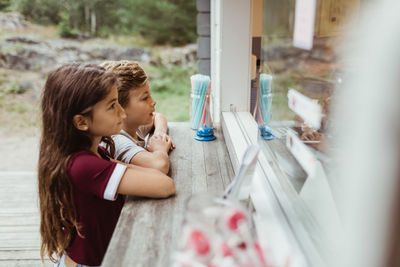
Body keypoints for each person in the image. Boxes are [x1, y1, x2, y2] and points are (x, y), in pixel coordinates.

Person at [38, 63, 175, 267]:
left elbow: (152, 175)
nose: (122, 113)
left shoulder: (94, 153)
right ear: (81, 122)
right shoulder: (84, 166)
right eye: (112, 105)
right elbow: (164, 185)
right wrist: (160, 150)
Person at [100, 61, 174, 174]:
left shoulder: (133, 127)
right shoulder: (117, 141)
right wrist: (160, 148)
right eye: (145, 98)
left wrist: (159, 134)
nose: (153, 102)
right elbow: (160, 166)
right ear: (119, 108)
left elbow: (158, 117)